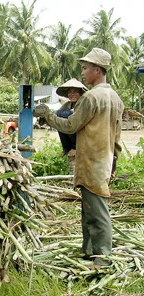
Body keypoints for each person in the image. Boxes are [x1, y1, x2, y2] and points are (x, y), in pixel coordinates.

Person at [34, 48, 124, 266]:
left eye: (85, 69)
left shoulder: (91, 98)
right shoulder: (115, 98)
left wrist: (47, 115)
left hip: (91, 161)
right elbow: (117, 139)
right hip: (104, 160)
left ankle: (102, 257)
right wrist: (113, 164)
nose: (82, 73)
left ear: (97, 69)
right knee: (89, 208)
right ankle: (89, 251)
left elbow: (71, 125)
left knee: (97, 211)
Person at [55, 78, 88, 174]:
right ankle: (67, 148)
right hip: (70, 130)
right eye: (70, 92)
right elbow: (56, 117)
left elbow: (80, 125)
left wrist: (76, 147)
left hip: (83, 135)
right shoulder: (67, 105)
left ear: (80, 93)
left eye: (75, 92)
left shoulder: (84, 104)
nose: (72, 94)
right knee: (59, 117)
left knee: (65, 116)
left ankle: (74, 147)